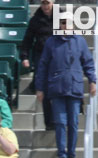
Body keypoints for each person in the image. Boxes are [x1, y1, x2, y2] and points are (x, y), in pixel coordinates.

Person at [35, 17, 97, 158]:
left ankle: (71, 156)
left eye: (68, 23)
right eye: (62, 23)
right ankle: (61, 156)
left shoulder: (79, 41)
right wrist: (40, 88)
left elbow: (88, 62)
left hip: (74, 88)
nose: (65, 25)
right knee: (60, 123)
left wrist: (92, 81)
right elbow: (43, 65)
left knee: (73, 123)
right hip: (57, 89)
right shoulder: (51, 42)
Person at [20, 0, 55, 129]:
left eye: (48, 3)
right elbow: (28, 40)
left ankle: (60, 121)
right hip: (42, 56)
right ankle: (49, 123)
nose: (46, 6)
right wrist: (25, 57)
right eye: (43, 3)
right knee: (44, 91)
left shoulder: (62, 17)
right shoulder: (35, 20)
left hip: (58, 58)